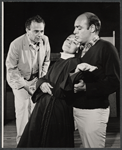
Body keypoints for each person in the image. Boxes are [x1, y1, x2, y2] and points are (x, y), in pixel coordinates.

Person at [72, 12, 120, 148]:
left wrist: (87, 88)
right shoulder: (80, 50)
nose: (74, 31)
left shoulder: (107, 48)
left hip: (94, 112)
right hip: (78, 109)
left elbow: (114, 82)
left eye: (79, 28)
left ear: (92, 28)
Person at [5, 15, 51, 144]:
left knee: (37, 113)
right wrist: (26, 85)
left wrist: (41, 80)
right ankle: (22, 144)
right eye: (36, 31)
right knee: (23, 114)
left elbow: (47, 61)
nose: (40, 34)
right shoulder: (16, 44)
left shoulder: (45, 40)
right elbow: (11, 69)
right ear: (27, 30)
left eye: (42, 31)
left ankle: (36, 143)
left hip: (37, 79)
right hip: (20, 81)